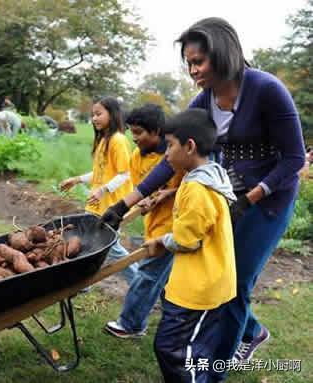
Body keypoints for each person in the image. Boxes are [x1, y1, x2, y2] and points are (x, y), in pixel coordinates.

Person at [101, 17, 305, 373]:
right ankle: (252, 331)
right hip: (230, 197)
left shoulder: (266, 89)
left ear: (223, 54)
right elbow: (172, 159)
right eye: (189, 63)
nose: (192, 70)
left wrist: (251, 198)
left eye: (198, 62)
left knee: (236, 281)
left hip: (269, 201)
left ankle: (215, 369)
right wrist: (123, 204)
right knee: (216, 275)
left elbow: (294, 159)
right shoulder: (204, 99)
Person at [148, 108, 237, 382]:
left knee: (172, 349)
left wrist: (162, 240)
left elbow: (187, 241)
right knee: (197, 350)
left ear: (189, 146)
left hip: (198, 290)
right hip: (207, 282)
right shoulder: (209, 177)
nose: (166, 153)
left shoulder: (198, 189)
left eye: (170, 145)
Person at [104, 104, 184, 338]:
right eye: (131, 131)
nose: (134, 137)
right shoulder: (137, 157)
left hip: (173, 225)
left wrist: (168, 193)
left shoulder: (175, 155)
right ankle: (178, 321)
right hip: (154, 223)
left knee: (148, 273)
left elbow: (193, 187)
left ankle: (131, 323)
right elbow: (142, 189)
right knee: (165, 280)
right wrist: (144, 202)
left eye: (139, 132)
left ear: (157, 131)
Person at [59, 96, 136, 284]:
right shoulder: (103, 140)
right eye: (93, 114)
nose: (94, 118)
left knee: (111, 249)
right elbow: (100, 173)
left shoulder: (118, 141)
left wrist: (103, 191)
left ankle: (140, 283)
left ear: (113, 114)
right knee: (95, 245)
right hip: (96, 205)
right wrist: (77, 180)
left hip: (110, 206)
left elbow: (124, 174)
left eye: (99, 114)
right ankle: (83, 281)